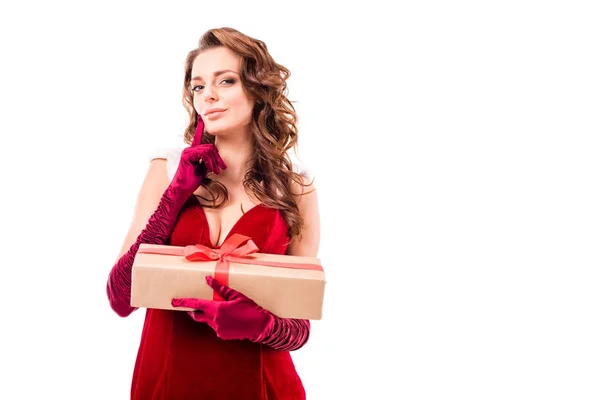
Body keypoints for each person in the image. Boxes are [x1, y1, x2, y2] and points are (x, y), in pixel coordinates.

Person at [105, 27, 320, 399]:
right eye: (199, 86)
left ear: (257, 89)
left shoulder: (296, 189)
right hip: (168, 380)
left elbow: (300, 325)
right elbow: (120, 298)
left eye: (226, 80)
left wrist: (261, 325)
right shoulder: (168, 170)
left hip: (261, 384)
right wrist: (176, 195)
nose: (209, 97)